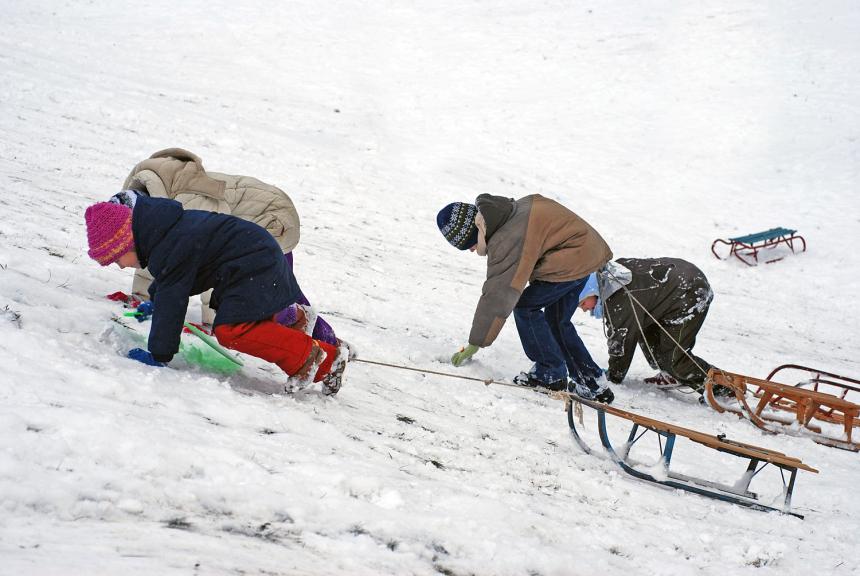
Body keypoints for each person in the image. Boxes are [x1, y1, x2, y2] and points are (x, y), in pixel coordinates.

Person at [84, 196, 348, 395]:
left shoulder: (167, 244)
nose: (120, 266)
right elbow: (173, 282)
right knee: (245, 319)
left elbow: (173, 296)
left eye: (116, 258)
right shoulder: (164, 233)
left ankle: (322, 359)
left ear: (125, 241)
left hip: (252, 264)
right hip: (254, 257)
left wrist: (158, 354)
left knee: (233, 330)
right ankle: (293, 319)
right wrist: (155, 301)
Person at [112, 148, 337, 346]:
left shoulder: (186, 203)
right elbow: (152, 255)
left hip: (271, 216)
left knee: (259, 294)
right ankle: (316, 335)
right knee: (272, 292)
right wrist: (143, 298)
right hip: (249, 221)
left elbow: (213, 261)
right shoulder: (154, 201)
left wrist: (211, 321)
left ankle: (326, 341)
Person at [437, 193, 614, 403]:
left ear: (474, 231)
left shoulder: (507, 237)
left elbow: (499, 294)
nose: (471, 250)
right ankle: (593, 382)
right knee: (556, 320)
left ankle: (549, 374)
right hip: (587, 254)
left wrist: (476, 342)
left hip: (572, 259)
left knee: (525, 307)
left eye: (468, 245)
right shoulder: (510, 212)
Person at [577, 258, 720, 395]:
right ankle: (673, 374)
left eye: (582, 303)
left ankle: (724, 388)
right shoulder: (610, 279)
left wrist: (613, 376)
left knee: (673, 359)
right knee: (651, 342)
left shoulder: (618, 299)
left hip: (689, 291)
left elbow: (621, 342)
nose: (583, 309)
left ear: (591, 291)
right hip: (679, 283)